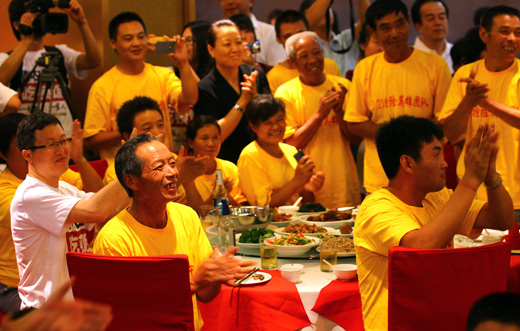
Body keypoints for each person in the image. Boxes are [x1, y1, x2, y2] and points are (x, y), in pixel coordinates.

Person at [355, 115, 514, 331]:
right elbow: (421, 249)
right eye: (436, 155)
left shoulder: (437, 198)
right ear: (408, 163)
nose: (445, 163)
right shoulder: (376, 208)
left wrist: (490, 176)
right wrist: (469, 181)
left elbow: (502, 219)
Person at [93, 134, 253, 331]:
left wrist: (217, 274)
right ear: (132, 182)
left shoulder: (186, 215)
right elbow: (132, 315)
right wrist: (195, 281)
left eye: (172, 163)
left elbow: (205, 294)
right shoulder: (114, 239)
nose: (172, 173)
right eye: (159, 167)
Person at [10, 112, 129, 309]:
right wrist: (129, 167)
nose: (62, 149)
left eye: (63, 140)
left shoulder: (64, 189)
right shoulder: (30, 196)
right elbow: (96, 211)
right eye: (50, 144)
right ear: (27, 155)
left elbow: (110, 209)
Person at [345, 0, 452, 195]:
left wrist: (404, 138)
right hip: (380, 181)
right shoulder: (365, 68)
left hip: (428, 179)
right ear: (373, 32)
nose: (395, 33)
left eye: (400, 24)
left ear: (409, 22)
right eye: (385, 28)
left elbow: (445, 121)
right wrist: (400, 137)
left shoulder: (435, 65)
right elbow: (354, 122)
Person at [439, 5, 520, 227]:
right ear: (484, 35)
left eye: (518, 33)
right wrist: (469, 101)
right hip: (473, 193)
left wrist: (486, 103)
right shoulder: (465, 74)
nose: (512, 38)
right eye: (504, 31)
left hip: (517, 194)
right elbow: (450, 134)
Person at [83, 11, 198, 166]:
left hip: (163, 166)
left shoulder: (162, 75)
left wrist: (183, 62)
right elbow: (91, 140)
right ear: (113, 43)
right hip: (124, 172)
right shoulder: (102, 86)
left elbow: (190, 98)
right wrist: (133, 130)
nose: (136, 43)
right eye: (128, 39)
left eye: (140, 37)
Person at [275, 31, 361, 209]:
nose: (313, 60)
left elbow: (356, 139)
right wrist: (320, 113)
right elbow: (290, 143)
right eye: (304, 56)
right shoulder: (285, 94)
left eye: (316, 53)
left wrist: (339, 112)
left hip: (343, 184)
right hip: (307, 187)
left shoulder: (342, 86)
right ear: (292, 62)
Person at [0, 0, 101, 136]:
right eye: (32, 17)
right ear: (16, 24)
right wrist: (26, 39)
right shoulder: (5, 59)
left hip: (64, 134)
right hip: (27, 138)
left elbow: (94, 60)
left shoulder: (60, 53)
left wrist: (82, 23)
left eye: (40, 16)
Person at [102, 96, 206, 210]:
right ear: (128, 137)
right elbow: (136, 215)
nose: (157, 133)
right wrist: (179, 177)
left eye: (160, 125)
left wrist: (188, 183)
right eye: (147, 128)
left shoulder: (176, 160)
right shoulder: (117, 172)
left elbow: (199, 213)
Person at [194, 19, 270, 164]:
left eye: (239, 42)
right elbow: (213, 136)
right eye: (227, 44)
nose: (235, 49)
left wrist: (256, 99)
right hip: (227, 162)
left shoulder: (256, 74)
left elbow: (271, 119)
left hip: (261, 158)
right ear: (211, 50)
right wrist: (243, 101)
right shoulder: (205, 87)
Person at [237, 95, 324, 207]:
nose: (276, 127)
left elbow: (307, 202)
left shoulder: (291, 150)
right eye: (268, 123)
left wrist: (309, 187)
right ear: (253, 127)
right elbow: (263, 206)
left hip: (297, 221)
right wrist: (297, 180)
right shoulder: (250, 155)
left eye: (279, 120)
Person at [267, 9, 341, 93]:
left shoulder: (329, 66)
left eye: (300, 34)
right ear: (278, 39)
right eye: (288, 37)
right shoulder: (273, 78)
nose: (296, 41)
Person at [300, 0, 371, 77]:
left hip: (352, 87)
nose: (324, 11)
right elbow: (308, 23)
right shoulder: (304, 47)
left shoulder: (345, 39)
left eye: (328, 8)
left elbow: (368, 21)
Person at [186, 116, 244, 206]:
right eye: (204, 138)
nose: (211, 144)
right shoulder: (185, 173)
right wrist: (216, 196)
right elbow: (195, 215)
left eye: (215, 137)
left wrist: (225, 195)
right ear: (191, 143)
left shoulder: (230, 168)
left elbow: (240, 211)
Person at [219, 0, 286, 68]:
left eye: (247, 31)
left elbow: (279, 69)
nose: (229, 2)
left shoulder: (270, 32)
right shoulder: (218, 35)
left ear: (250, 2)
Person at [411, 0, 454, 73]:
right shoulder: (410, 57)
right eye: (431, 19)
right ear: (419, 26)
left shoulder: (456, 52)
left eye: (442, 17)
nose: (438, 22)